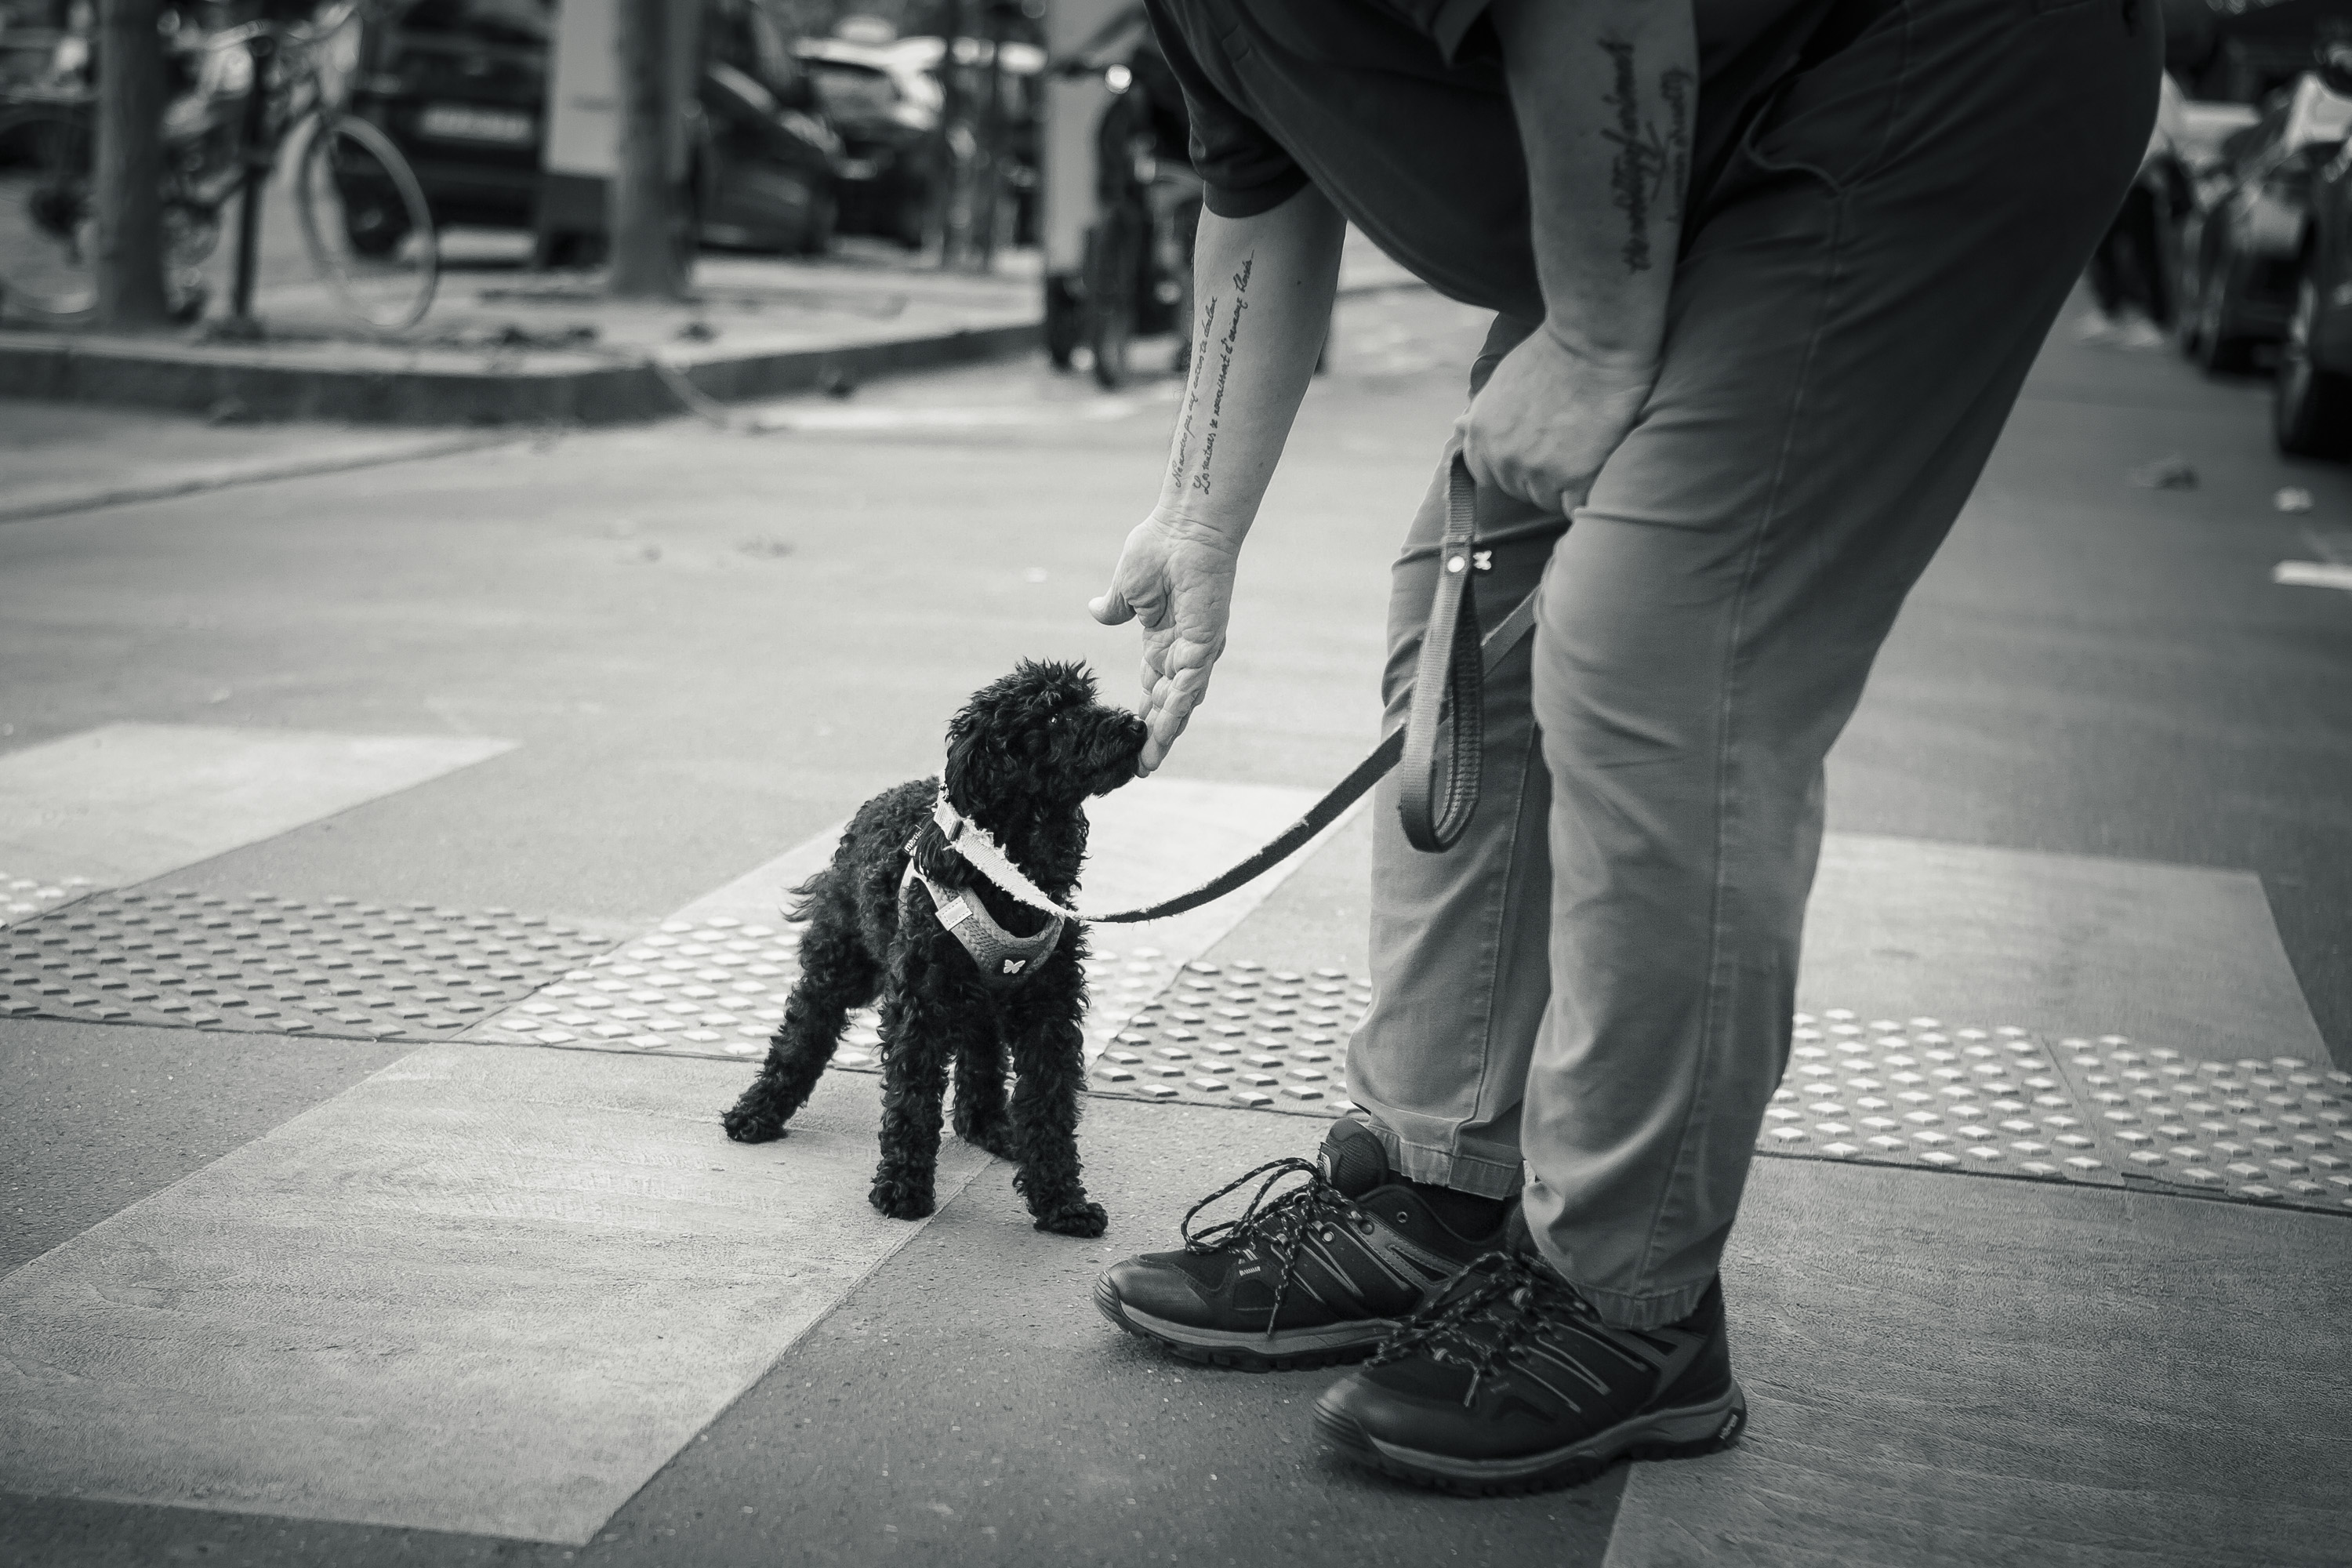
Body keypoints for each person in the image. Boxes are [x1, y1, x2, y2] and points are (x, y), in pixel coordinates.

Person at [1087, 0, 2158, 1495]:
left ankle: (1628, 1298)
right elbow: (1259, 203)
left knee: (1653, 640)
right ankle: (1437, 1188)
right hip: (1665, 154)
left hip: (1918, 75)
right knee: (1465, 613)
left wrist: (1594, 342)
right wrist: (1198, 516)